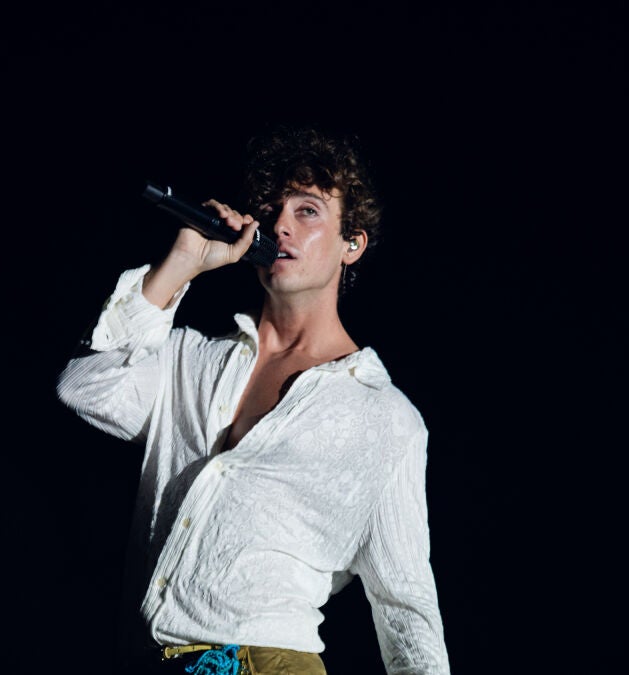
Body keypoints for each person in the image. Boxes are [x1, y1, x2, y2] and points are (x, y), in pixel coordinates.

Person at [55, 124, 450, 675]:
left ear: (352, 244)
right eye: (272, 209)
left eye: (307, 211)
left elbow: (407, 608)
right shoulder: (190, 359)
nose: (281, 224)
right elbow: (85, 386)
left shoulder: (384, 418)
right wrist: (182, 263)